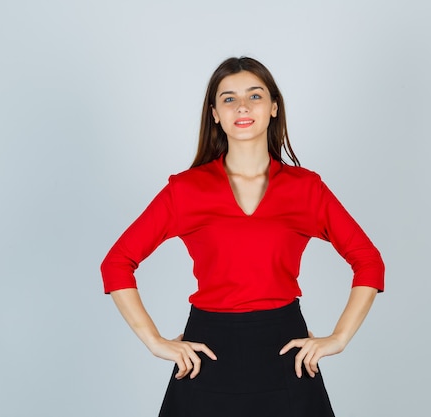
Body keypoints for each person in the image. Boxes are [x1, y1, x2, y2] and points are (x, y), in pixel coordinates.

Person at [100, 56, 385, 417]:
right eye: (229, 98)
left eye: (255, 95)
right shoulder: (186, 190)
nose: (243, 107)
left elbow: (368, 261)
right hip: (208, 354)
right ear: (215, 113)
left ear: (274, 107)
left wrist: (339, 337)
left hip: (286, 354)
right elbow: (116, 264)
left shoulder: (306, 188)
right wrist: (154, 341)